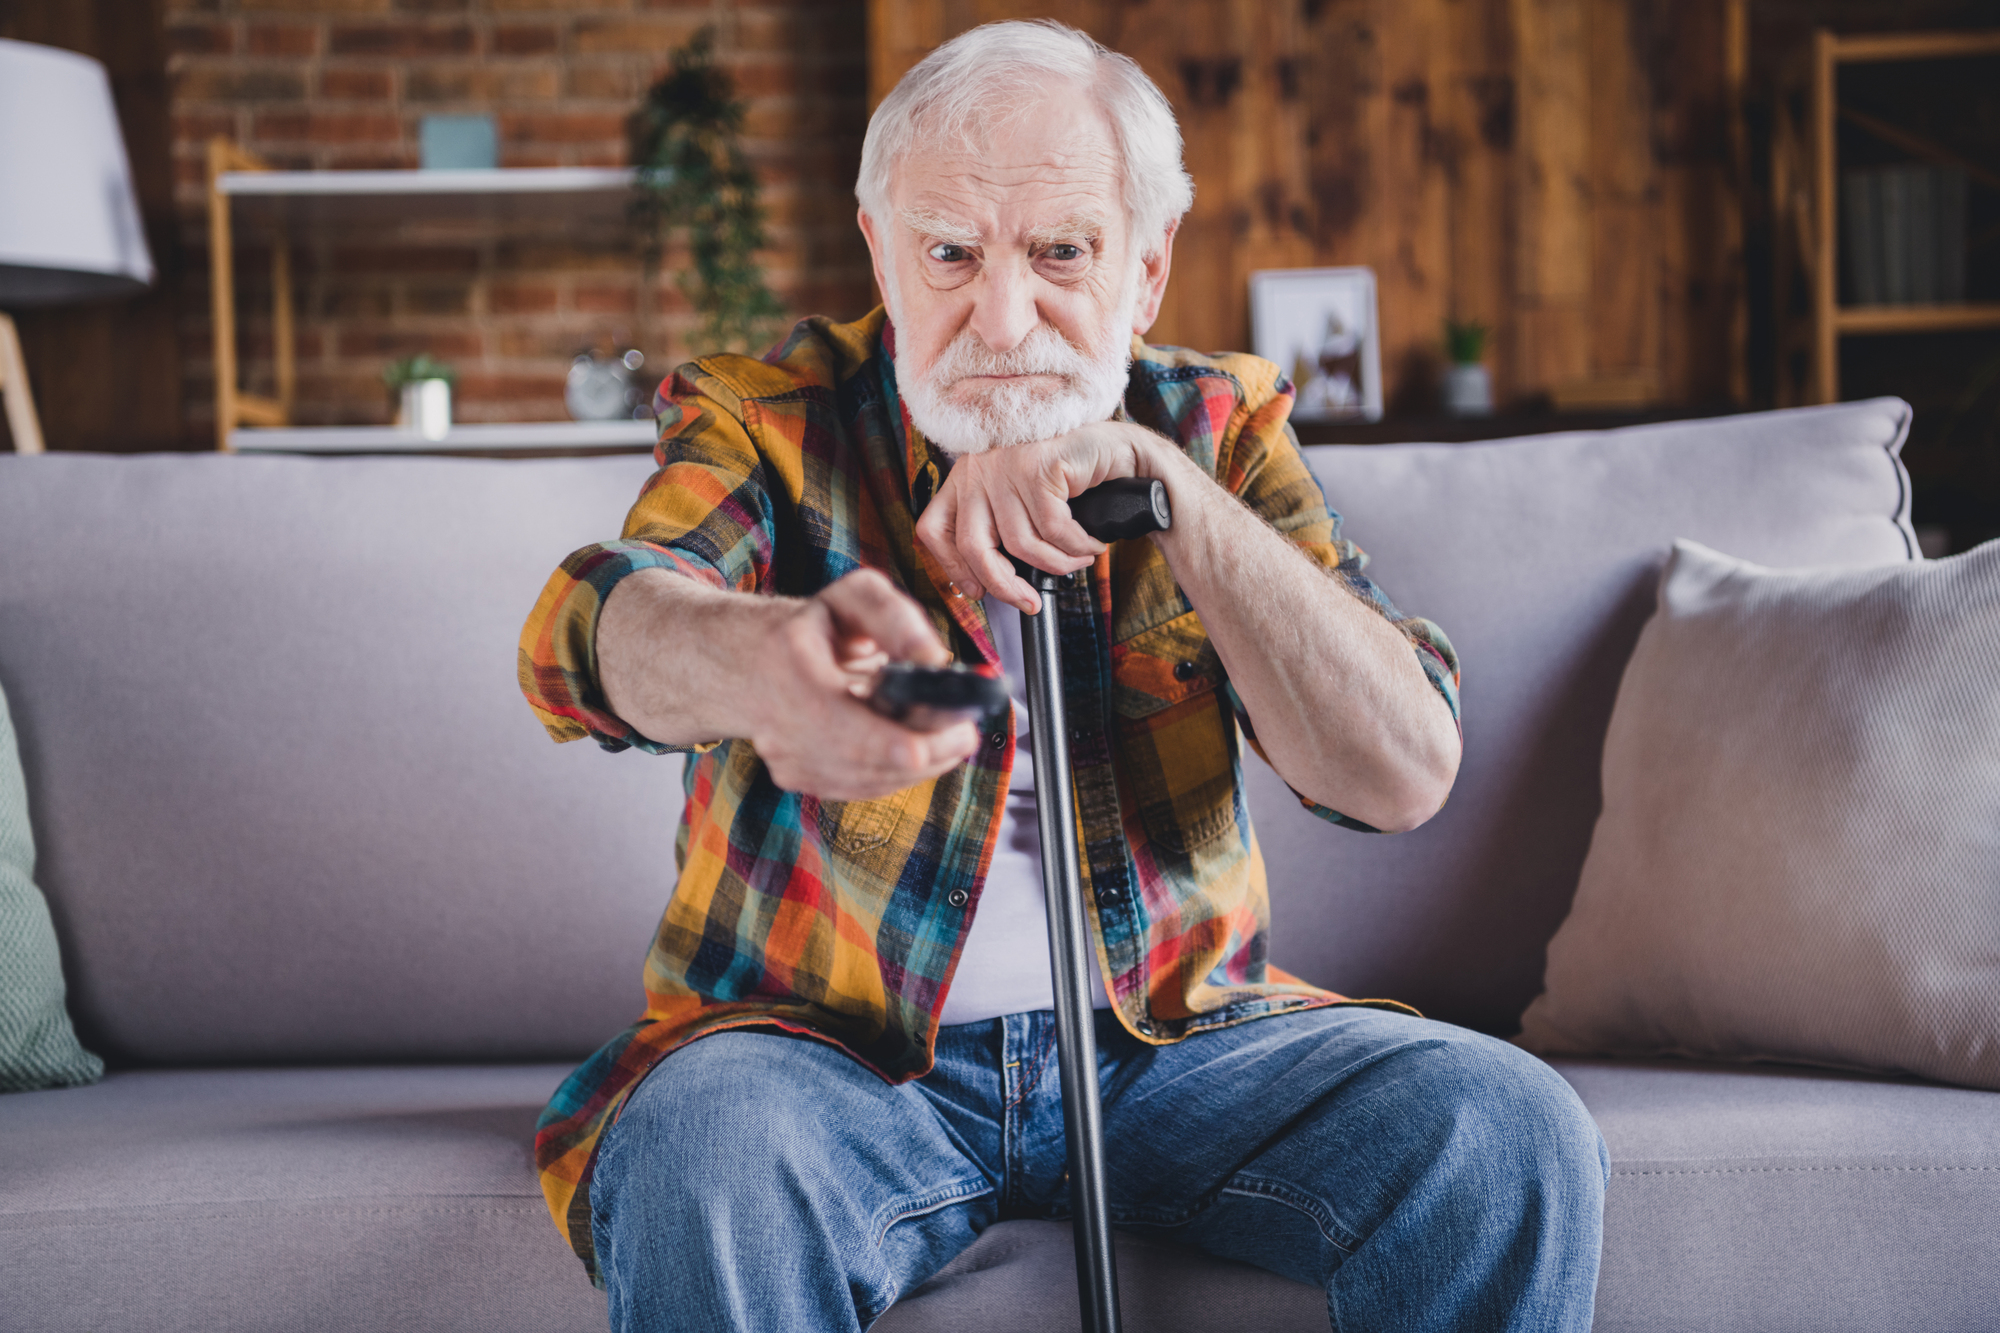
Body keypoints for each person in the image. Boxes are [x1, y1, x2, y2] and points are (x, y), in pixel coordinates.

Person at [518, 19, 1606, 1333]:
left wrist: (1167, 490)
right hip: (830, 1064)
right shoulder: (765, 418)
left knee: (1505, 1128)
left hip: (1182, 1053)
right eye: (949, 254)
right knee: (709, 1149)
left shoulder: (1216, 426)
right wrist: (761, 664)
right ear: (880, 251)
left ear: (1147, 269)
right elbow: (592, 631)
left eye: (1061, 254)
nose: (1001, 318)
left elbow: (1402, 771)